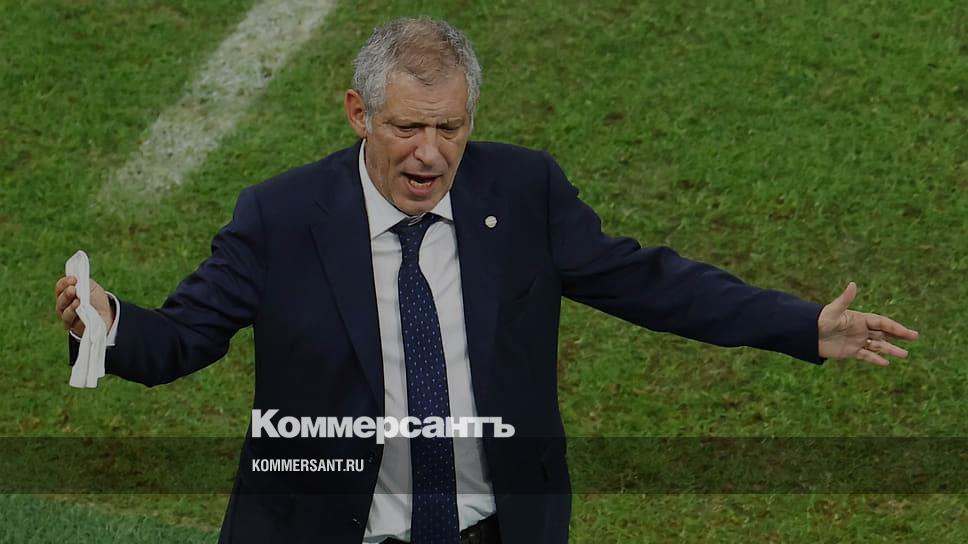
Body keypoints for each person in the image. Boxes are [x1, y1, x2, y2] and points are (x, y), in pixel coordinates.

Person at [53, 17, 918, 544]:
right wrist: (107, 321)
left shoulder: (523, 191)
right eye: (408, 128)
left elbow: (648, 282)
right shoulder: (281, 216)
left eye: (451, 128)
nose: (432, 154)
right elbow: (184, 338)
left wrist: (801, 326)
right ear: (358, 114)